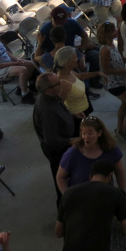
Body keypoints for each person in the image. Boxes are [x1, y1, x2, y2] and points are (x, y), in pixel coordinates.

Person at [56, 161, 126, 251]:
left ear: (90, 176)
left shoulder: (68, 193)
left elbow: (58, 232)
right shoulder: (115, 194)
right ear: (110, 176)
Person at [33, 71, 77, 208]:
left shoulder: (51, 97)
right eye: (58, 83)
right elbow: (51, 140)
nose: (62, 83)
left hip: (63, 145)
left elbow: (60, 111)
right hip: (58, 152)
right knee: (63, 183)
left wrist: (72, 115)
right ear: (49, 90)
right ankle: (64, 210)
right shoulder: (47, 111)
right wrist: (72, 141)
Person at [56, 115, 125, 193]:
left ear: (99, 133)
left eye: (90, 133)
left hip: (105, 197)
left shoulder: (111, 150)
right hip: (81, 199)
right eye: (84, 133)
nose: (86, 137)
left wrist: (122, 193)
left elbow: (119, 173)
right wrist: (68, 197)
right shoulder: (72, 154)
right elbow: (60, 177)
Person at [98, 22, 126, 144]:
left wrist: (124, 59)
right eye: (113, 30)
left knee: (125, 104)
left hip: (119, 81)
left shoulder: (111, 45)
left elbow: (114, 59)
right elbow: (106, 69)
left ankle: (120, 128)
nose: (116, 31)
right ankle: (124, 131)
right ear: (107, 34)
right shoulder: (105, 50)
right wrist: (124, 71)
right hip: (114, 84)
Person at [0, 23, 36, 103]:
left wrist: (16, 60)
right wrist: (14, 64)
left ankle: (21, 86)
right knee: (23, 70)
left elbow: (6, 51)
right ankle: (24, 95)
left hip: (8, 63)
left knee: (31, 64)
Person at [54, 46, 104, 120]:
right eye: (75, 57)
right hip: (77, 116)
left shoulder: (69, 71)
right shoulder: (63, 83)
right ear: (67, 61)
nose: (77, 59)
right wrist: (72, 115)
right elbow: (59, 106)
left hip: (84, 110)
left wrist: (97, 73)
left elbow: (80, 76)